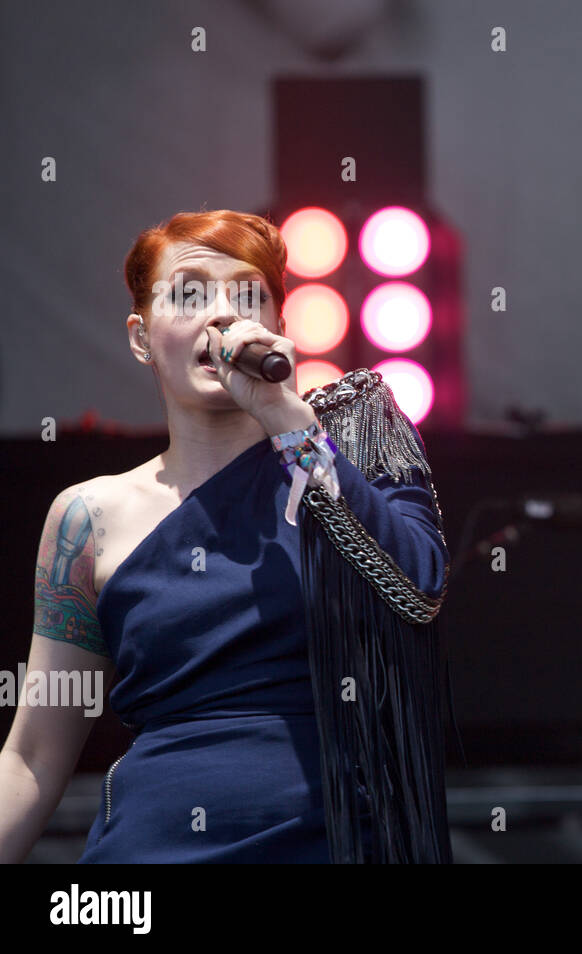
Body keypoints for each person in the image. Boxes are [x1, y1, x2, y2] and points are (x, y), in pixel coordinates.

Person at [0, 210, 451, 863]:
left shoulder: (353, 446)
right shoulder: (89, 517)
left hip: (329, 842)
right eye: (188, 294)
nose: (220, 314)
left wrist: (287, 420)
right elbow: (34, 756)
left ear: (278, 326)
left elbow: (417, 589)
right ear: (141, 337)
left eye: (247, 296)